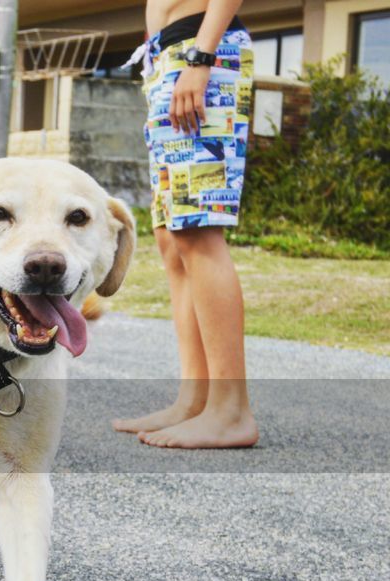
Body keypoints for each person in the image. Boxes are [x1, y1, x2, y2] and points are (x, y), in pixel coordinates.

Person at [112, 0, 259, 448]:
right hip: (169, 55)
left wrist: (201, 55)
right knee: (172, 240)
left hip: (200, 49)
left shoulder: (203, 52)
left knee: (196, 230)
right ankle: (195, 400)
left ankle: (231, 410)